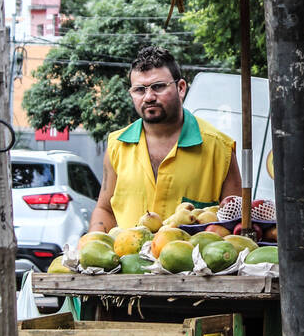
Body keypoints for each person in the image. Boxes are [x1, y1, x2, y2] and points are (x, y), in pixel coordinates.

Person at [89, 46, 242, 231]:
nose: (149, 97)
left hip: (192, 259)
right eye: (139, 90)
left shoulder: (220, 148)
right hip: (127, 258)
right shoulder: (117, 145)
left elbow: (235, 223)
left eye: (158, 87)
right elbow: (105, 210)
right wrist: (93, 242)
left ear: (181, 88)